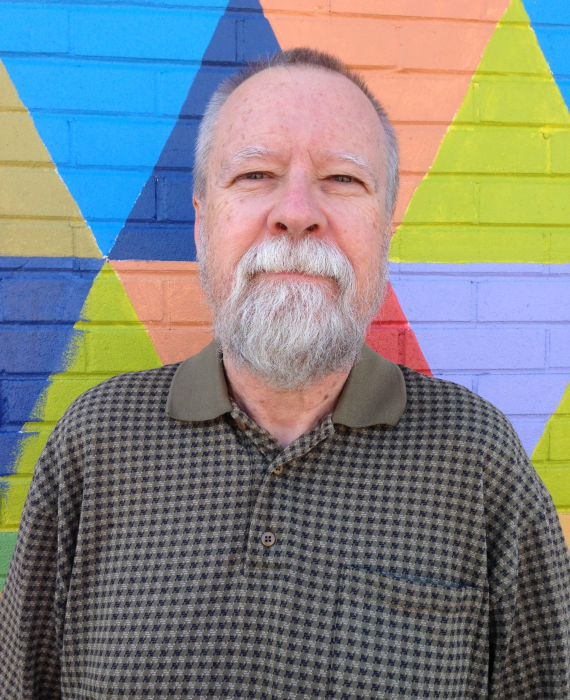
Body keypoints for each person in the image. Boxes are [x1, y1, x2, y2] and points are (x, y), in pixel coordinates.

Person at [0, 47, 569, 699]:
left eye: (343, 180)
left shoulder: (477, 461)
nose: (297, 212)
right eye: (256, 175)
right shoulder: (94, 445)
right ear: (201, 220)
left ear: (384, 225)